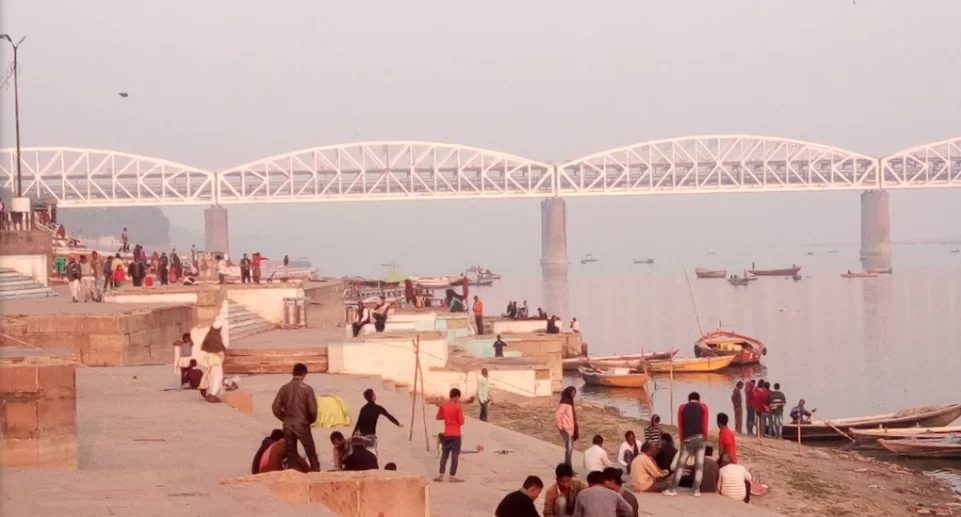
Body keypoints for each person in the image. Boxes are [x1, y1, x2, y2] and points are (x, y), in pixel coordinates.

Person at [271, 363, 320, 472]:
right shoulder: (307, 389)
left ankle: (294, 475)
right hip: (302, 423)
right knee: (310, 452)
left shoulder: (284, 388)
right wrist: (309, 420)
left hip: (288, 424)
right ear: (303, 374)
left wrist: (284, 418)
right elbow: (313, 410)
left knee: (291, 453)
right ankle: (316, 474)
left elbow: (275, 407)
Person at [663, 392, 710, 497]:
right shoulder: (703, 407)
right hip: (701, 438)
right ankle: (696, 490)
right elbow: (705, 424)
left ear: (689, 399)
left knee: (680, 464)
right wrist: (705, 437)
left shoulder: (682, 408)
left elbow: (680, 426)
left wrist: (681, 441)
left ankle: (673, 489)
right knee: (699, 466)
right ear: (698, 400)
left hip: (687, 439)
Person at [352, 388, 403, 455]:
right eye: (374, 394)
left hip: (362, 436)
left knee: (364, 455)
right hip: (371, 436)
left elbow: (358, 423)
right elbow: (389, 416)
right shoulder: (378, 408)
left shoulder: (363, 409)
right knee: (372, 456)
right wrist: (398, 423)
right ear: (373, 397)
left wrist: (352, 436)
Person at [435, 387, 465, 482]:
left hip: (447, 433)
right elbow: (461, 421)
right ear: (456, 397)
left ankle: (441, 475)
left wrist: (447, 416)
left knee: (444, 455)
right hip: (456, 434)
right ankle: (452, 476)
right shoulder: (458, 407)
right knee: (455, 455)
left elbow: (438, 417)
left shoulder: (444, 406)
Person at [555, 386, 578, 466]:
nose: (574, 395)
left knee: (570, 449)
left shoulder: (570, 403)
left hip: (570, 429)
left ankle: (569, 466)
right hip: (566, 428)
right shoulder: (565, 402)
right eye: (573, 393)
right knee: (569, 448)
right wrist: (560, 427)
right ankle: (568, 466)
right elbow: (558, 415)